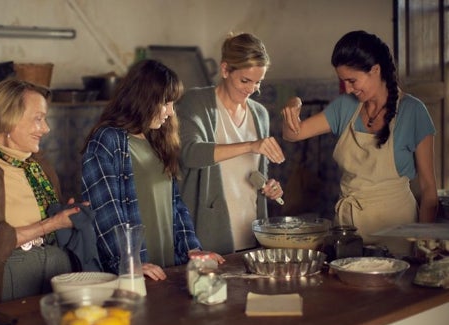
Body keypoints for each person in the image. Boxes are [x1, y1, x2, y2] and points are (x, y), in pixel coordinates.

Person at [281, 30, 438, 256]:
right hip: (348, 231)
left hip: (397, 232)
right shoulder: (345, 106)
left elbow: (428, 189)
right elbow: (292, 134)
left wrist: (425, 243)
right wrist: (292, 104)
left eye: (352, 80)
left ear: (375, 70)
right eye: (342, 81)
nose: (347, 89)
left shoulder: (413, 111)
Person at [0, 78, 96, 305]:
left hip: (57, 268)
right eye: (38, 119)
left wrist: (65, 214)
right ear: (8, 119)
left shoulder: (41, 167)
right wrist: (51, 224)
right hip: (9, 278)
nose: (46, 128)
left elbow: (52, 224)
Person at [81, 59, 224, 281]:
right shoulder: (107, 140)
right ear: (144, 99)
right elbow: (105, 212)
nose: (170, 111)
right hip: (134, 272)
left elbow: (175, 203)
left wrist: (192, 249)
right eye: (165, 103)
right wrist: (129, 262)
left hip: (167, 266)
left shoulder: (157, 139)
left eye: (172, 103)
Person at [176, 33, 285, 255]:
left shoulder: (260, 114)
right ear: (225, 70)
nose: (251, 89)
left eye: (258, 82)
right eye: (245, 80)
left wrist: (269, 188)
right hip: (209, 236)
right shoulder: (196, 103)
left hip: (252, 234)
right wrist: (250, 145)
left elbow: (253, 176)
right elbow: (189, 154)